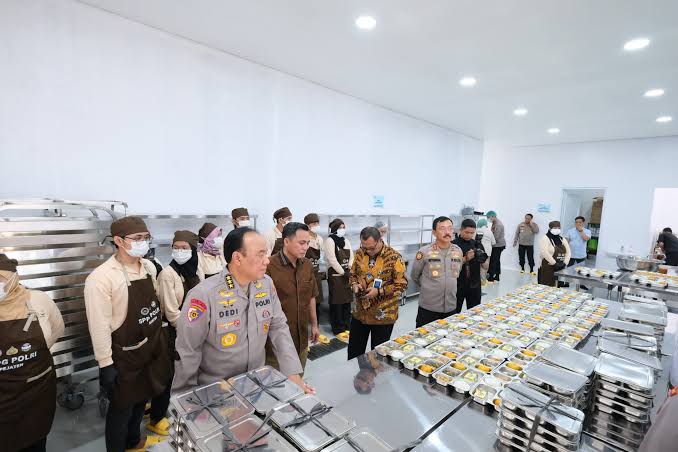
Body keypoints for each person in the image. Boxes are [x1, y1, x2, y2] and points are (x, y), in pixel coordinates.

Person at [172, 227, 313, 395]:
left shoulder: (266, 284)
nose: (267, 261)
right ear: (237, 258)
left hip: (256, 385)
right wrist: (186, 397)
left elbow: (278, 327)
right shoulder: (203, 295)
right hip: (216, 392)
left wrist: (292, 373)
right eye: (260, 254)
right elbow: (188, 350)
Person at [84, 216, 170, 452]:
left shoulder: (148, 267)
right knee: (121, 409)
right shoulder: (101, 279)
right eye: (138, 238)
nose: (144, 242)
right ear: (119, 241)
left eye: (146, 237)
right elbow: (99, 326)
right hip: (124, 356)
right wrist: (105, 365)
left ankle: (134, 443)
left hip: (149, 349)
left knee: (141, 398)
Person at [0, 254, 64, 452]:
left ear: (12, 277)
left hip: (37, 391)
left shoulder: (38, 300)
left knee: (36, 440)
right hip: (3, 398)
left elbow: (57, 328)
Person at [151, 230, 201, 436]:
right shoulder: (167, 275)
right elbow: (171, 312)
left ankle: (180, 407)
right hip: (174, 332)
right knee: (168, 375)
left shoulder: (195, 270)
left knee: (188, 372)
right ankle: (157, 416)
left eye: (184, 248)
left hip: (194, 329)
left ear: (193, 250)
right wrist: (191, 332)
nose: (179, 251)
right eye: (176, 247)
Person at [265, 222, 320, 372]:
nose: (306, 247)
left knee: (298, 378)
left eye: (307, 243)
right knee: (277, 381)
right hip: (276, 344)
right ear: (286, 241)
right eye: (301, 243)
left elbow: (311, 296)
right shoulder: (269, 267)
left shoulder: (307, 265)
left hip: (301, 339)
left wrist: (314, 325)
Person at [348, 227, 408, 360]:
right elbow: (352, 274)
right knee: (354, 352)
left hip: (383, 316)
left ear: (380, 240)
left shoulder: (394, 257)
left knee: (378, 356)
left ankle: (376, 373)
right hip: (360, 313)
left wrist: (379, 291)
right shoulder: (360, 253)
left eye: (371, 248)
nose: (368, 251)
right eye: (364, 247)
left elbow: (402, 285)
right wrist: (354, 285)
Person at [410, 216, 464, 327]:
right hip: (428, 309)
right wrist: (429, 286)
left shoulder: (458, 251)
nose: (447, 232)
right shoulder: (424, 252)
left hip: (451, 307)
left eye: (450, 228)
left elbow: (458, 272)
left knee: (448, 337)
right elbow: (415, 275)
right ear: (434, 232)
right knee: (424, 337)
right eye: (442, 228)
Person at [323, 218, 354, 335]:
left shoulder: (346, 240)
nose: (342, 229)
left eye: (343, 227)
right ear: (335, 229)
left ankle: (347, 325)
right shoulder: (330, 241)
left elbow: (352, 256)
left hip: (347, 274)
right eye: (340, 227)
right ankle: (338, 328)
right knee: (337, 303)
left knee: (347, 302)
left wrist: (349, 267)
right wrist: (343, 272)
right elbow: (332, 260)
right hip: (336, 276)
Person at [453, 219, 489, 313]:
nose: (469, 235)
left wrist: (482, 260)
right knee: (454, 313)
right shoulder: (453, 245)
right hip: (457, 284)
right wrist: (466, 258)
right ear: (461, 230)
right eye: (467, 232)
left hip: (474, 284)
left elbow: (486, 267)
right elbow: (450, 267)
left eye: (472, 233)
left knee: (474, 313)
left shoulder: (477, 244)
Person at [304, 213, 325, 319]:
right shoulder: (304, 238)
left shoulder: (320, 239)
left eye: (317, 223)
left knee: (317, 300)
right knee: (306, 300)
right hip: (305, 273)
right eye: (314, 224)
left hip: (316, 273)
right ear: (308, 225)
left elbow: (322, 256)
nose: (316, 225)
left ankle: (317, 324)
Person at [538, 221, 571, 287]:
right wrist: (554, 263)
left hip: (560, 266)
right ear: (550, 229)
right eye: (555, 228)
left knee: (557, 285)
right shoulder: (545, 238)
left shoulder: (562, 239)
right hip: (547, 266)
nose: (557, 229)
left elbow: (568, 252)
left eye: (559, 228)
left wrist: (565, 263)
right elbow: (544, 252)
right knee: (546, 286)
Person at [486, 211, 505, 282]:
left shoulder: (498, 225)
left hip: (498, 245)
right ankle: (497, 276)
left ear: (493, 216)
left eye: (489, 217)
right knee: (496, 260)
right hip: (496, 245)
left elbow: (496, 237)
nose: (488, 219)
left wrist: (488, 241)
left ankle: (491, 277)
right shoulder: (494, 223)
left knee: (494, 260)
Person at [476, 218, 496, 285]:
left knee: (477, 267)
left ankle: (478, 281)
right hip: (487, 252)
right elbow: (493, 242)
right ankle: (483, 281)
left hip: (478, 251)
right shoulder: (489, 232)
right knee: (485, 267)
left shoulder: (476, 230)